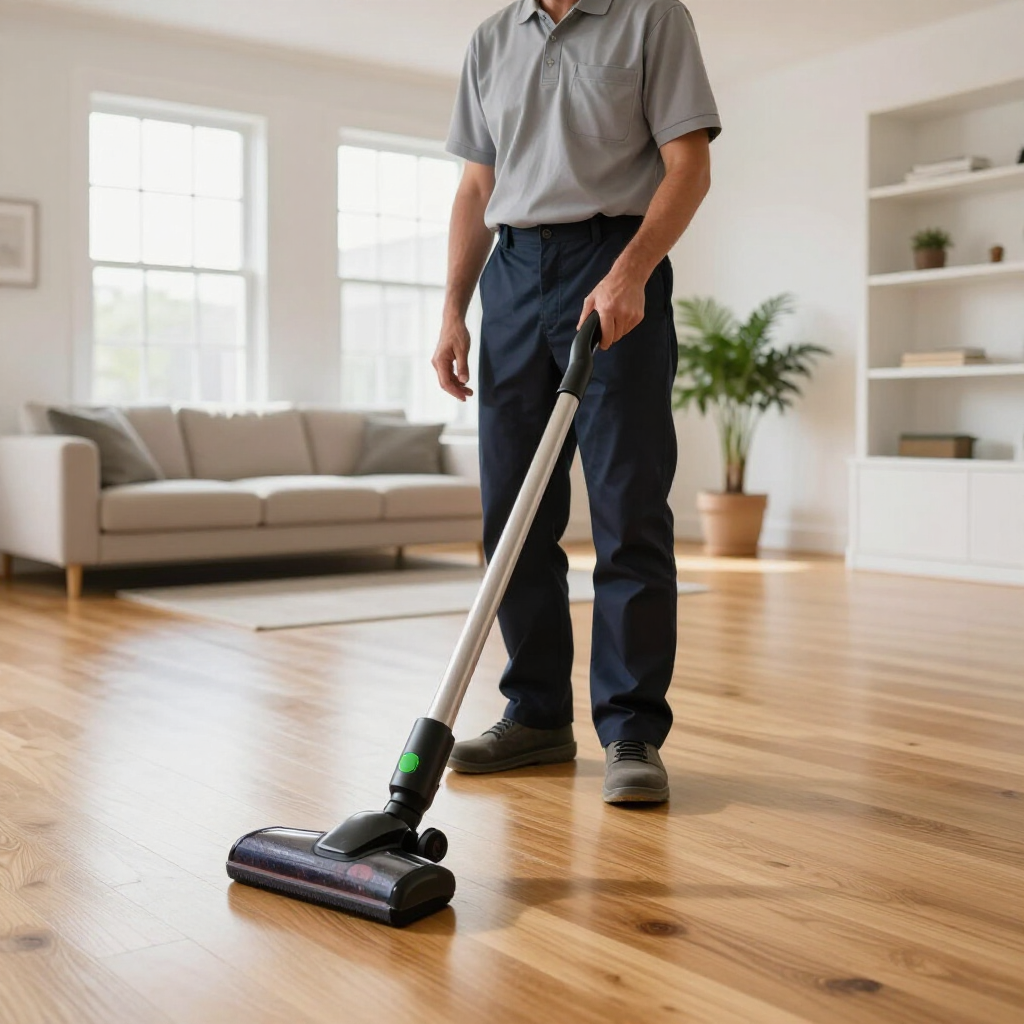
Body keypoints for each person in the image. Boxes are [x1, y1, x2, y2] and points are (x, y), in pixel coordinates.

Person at [431, 0, 720, 804]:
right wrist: (455, 307)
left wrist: (630, 273)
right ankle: (536, 716)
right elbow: (476, 185)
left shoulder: (652, 17)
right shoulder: (491, 40)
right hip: (515, 277)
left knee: (628, 508)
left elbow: (688, 163)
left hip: (614, 258)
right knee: (514, 517)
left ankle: (630, 728)